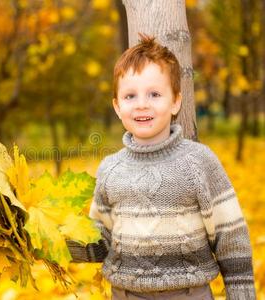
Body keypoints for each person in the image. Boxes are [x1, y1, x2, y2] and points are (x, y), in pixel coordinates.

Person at [66, 34, 256, 299]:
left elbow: (230, 237)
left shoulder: (198, 163)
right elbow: (102, 240)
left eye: (154, 94)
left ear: (176, 101)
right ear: (117, 107)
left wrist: (242, 294)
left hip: (188, 293)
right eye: (130, 96)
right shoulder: (110, 170)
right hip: (125, 294)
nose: (142, 103)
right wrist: (45, 238)